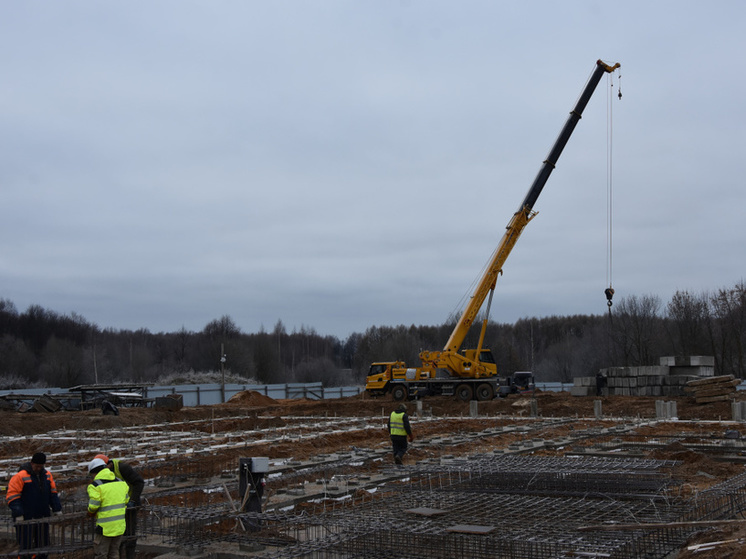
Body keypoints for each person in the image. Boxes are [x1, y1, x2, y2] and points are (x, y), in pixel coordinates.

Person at [6, 452, 62, 559]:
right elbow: (12, 496)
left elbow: (52, 493)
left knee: (43, 545)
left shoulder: (47, 475)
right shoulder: (20, 476)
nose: (38, 469)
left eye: (41, 466)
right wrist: (18, 513)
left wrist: (57, 508)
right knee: (26, 547)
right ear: (32, 463)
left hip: (42, 517)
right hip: (26, 518)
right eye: (37, 466)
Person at [93, 454, 144, 559]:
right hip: (117, 507)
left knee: (129, 534)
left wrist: (132, 500)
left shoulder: (122, 468)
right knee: (117, 536)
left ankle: (130, 556)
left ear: (109, 464)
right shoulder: (105, 474)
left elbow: (139, 482)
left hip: (130, 507)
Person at [87, 458, 129, 559]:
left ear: (94, 473)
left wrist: (90, 512)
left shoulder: (95, 486)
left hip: (104, 528)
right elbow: (126, 500)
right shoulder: (121, 482)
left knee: (101, 554)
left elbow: (93, 505)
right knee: (114, 553)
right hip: (119, 526)